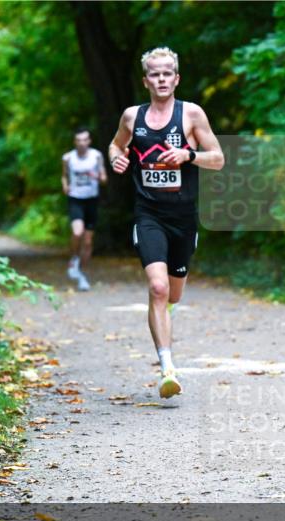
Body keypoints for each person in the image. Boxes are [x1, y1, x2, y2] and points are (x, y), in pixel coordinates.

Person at [108, 46, 224, 399]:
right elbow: (115, 146)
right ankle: (167, 368)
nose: (161, 79)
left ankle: (164, 314)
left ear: (177, 78)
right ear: (146, 81)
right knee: (157, 289)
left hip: (183, 218)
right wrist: (116, 159)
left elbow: (217, 158)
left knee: (173, 292)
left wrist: (188, 155)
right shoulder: (132, 117)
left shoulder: (191, 114)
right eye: (154, 74)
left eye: (167, 73)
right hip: (149, 215)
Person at [62, 126, 107, 291]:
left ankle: (81, 273)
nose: (81, 143)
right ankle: (74, 258)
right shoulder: (68, 158)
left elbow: (103, 177)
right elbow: (64, 176)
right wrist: (65, 186)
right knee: (77, 232)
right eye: (78, 140)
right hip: (75, 199)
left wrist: (99, 177)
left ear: (89, 141)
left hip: (91, 200)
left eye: (84, 140)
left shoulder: (96, 156)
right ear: (75, 142)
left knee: (88, 242)